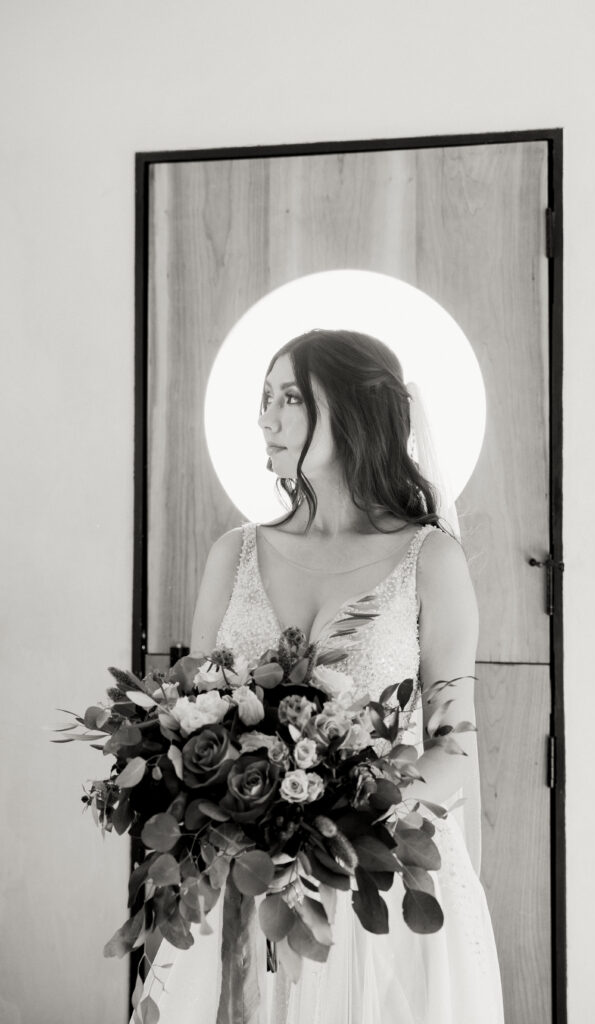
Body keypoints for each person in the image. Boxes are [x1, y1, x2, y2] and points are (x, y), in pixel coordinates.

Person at [136, 329, 504, 1023]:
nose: (265, 418)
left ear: (352, 411)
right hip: (244, 873)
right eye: (264, 398)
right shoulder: (233, 553)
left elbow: (454, 749)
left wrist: (342, 815)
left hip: (379, 884)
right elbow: (188, 713)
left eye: (290, 398)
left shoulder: (430, 560)